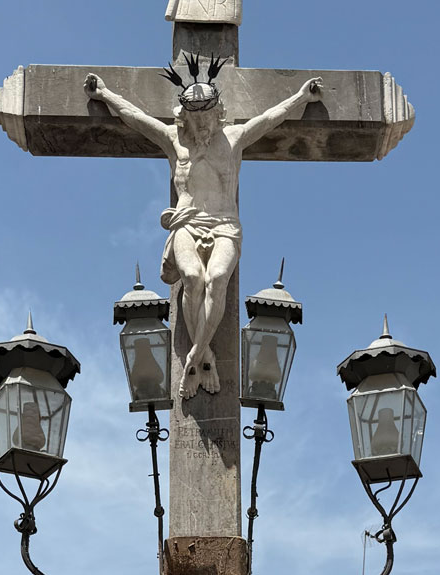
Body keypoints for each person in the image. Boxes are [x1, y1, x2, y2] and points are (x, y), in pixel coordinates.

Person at [83, 64, 323, 398]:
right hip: (186, 222)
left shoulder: (234, 139)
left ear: (217, 113)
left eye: (207, 115)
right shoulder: (173, 139)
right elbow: (135, 117)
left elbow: (270, 118)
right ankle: (204, 353)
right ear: (184, 115)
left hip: (225, 224)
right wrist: (104, 93)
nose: (201, 123)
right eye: (194, 117)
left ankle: (195, 355)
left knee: (217, 278)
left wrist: (300, 97)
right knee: (193, 278)